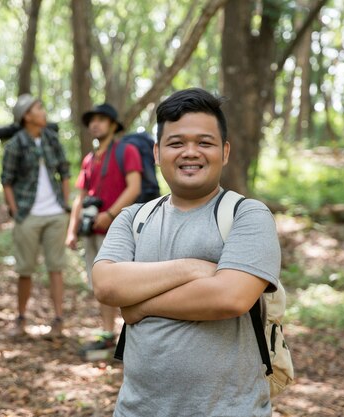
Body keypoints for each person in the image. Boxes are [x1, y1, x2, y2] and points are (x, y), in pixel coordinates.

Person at [91, 88, 281, 416]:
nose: (190, 152)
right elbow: (106, 284)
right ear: (156, 152)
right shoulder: (132, 218)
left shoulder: (247, 215)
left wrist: (138, 306)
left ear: (224, 151)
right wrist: (192, 269)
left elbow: (230, 298)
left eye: (204, 143)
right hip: (136, 410)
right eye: (176, 143)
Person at [65, 103, 142, 356]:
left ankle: (135, 336)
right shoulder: (90, 159)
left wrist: (110, 214)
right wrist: (72, 229)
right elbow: (80, 196)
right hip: (92, 231)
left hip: (119, 230)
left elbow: (134, 187)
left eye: (101, 119)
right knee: (102, 286)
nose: (95, 124)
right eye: (92, 120)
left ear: (112, 124)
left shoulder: (126, 151)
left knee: (126, 286)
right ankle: (109, 335)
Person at [1, 94, 71, 339]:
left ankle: (59, 319)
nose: (43, 112)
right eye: (39, 108)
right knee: (25, 269)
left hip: (55, 214)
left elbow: (64, 171)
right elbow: (6, 180)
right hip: (27, 214)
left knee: (56, 267)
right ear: (27, 116)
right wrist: (15, 210)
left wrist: (64, 204)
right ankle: (20, 318)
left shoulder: (52, 139)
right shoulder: (15, 144)